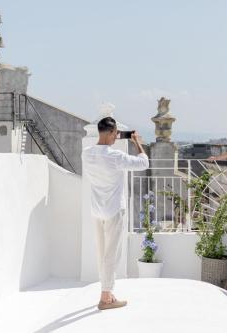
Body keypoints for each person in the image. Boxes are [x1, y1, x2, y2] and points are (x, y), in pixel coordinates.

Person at [82, 117, 149, 310]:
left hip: (97, 209)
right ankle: (105, 297)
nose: (116, 136)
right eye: (116, 133)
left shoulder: (86, 154)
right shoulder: (116, 156)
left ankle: (108, 293)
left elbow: (101, 152)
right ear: (111, 133)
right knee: (111, 254)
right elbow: (143, 163)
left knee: (102, 252)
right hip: (113, 211)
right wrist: (137, 143)